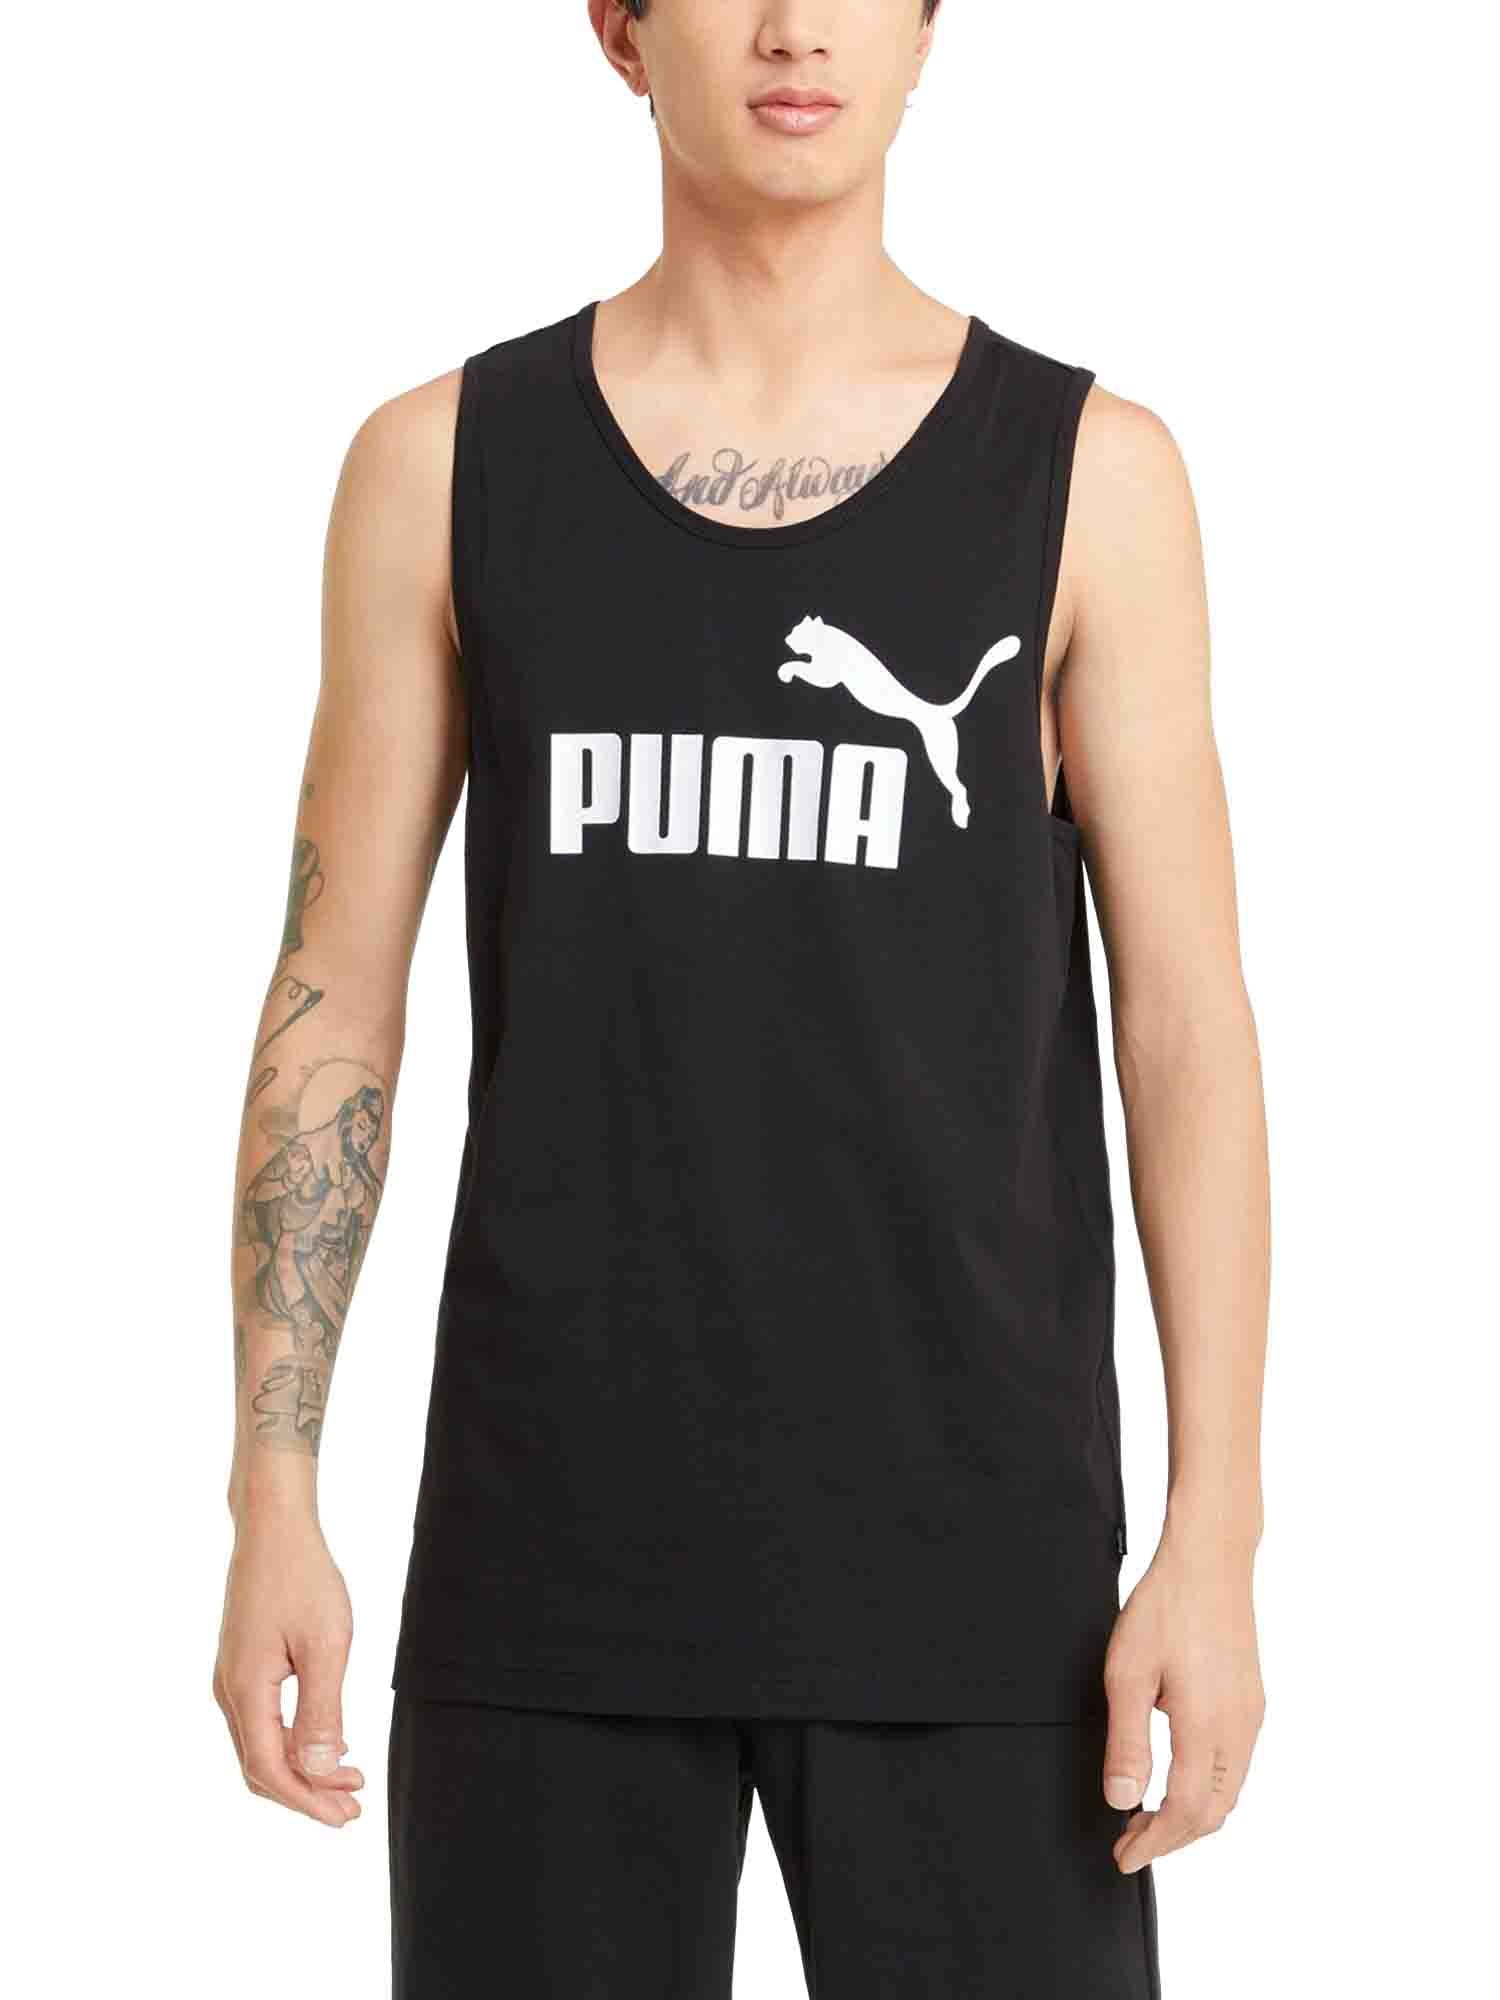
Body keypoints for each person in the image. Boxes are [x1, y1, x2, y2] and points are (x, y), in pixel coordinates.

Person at [213, 2, 1270, 1993]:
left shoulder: (1091, 478)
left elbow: (1187, 1027)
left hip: (985, 1574)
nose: (795, 28)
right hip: (550, 1568)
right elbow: (332, 999)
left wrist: (1216, 1533)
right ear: (620, 28)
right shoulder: (441, 466)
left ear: (932, 28)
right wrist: (275, 1489)